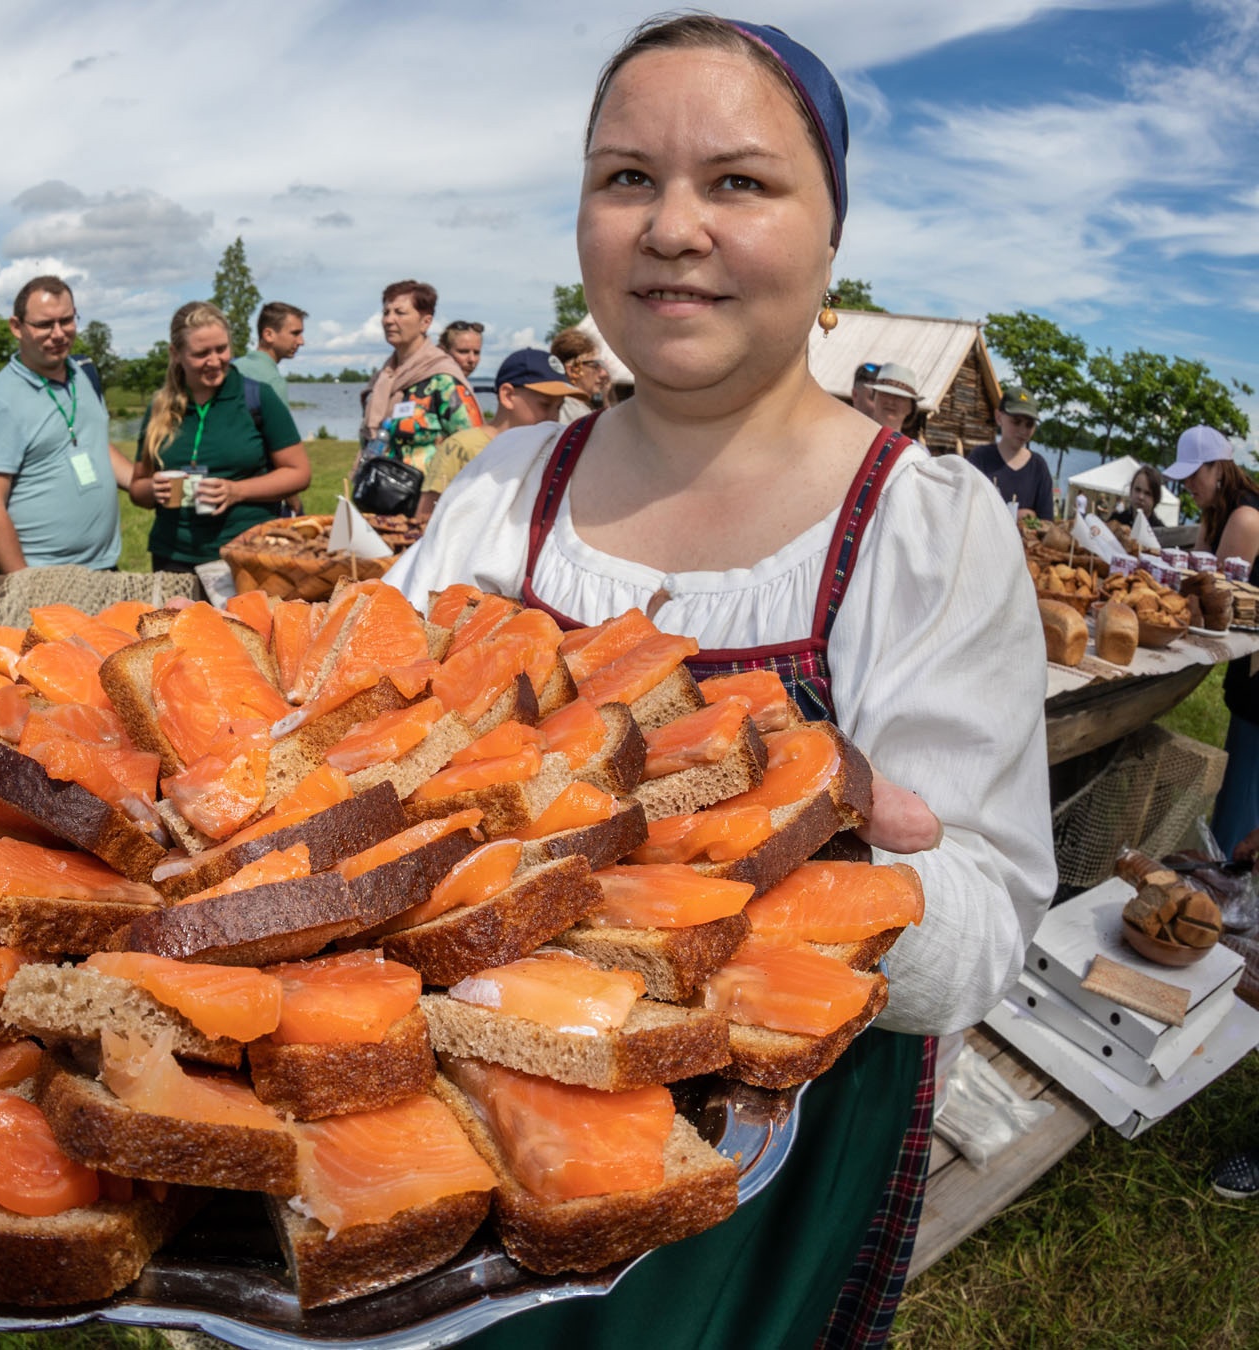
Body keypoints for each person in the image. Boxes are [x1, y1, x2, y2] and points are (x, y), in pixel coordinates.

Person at [386, 16, 1053, 1346]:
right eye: (627, 176)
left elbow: (982, 927)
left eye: (739, 182)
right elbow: (372, 789)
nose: (672, 226)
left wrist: (782, 835)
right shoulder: (505, 492)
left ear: (830, 233)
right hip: (440, 1128)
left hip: (740, 1194)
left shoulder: (925, 528)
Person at [127, 301, 311, 573]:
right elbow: (137, 488)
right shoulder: (160, 407)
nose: (215, 361)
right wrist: (153, 489)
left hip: (246, 553)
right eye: (201, 353)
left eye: (222, 349)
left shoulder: (258, 398)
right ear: (176, 354)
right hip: (173, 557)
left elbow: (299, 473)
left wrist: (237, 491)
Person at [0, 275, 132, 572]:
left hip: (104, 567)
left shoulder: (83, 373)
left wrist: (141, 482)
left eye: (67, 320)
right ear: (17, 327)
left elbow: (93, 443)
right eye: (44, 324)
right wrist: (26, 588)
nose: (59, 334)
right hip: (43, 575)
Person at [1164, 425, 1259, 852]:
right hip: (1247, 672)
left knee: (1243, 786)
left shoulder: (1244, 518)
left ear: (1219, 467)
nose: (1187, 484)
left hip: (1258, 684)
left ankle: (1227, 889)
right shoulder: (1222, 512)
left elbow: (1206, 596)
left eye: (1194, 474)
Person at [418, 348, 584, 520]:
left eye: (558, 407)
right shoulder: (463, 447)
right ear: (507, 395)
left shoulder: (546, 454)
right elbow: (427, 516)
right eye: (544, 405)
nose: (553, 417)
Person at [355, 280, 483, 479]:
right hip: (377, 498)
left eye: (400, 312)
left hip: (428, 504)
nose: (389, 320)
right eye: (386, 312)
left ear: (426, 322)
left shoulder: (443, 381)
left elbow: (474, 450)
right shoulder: (383, 378)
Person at [968, 386, 1053, 521]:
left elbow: (1047, 522)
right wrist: (1017, 515)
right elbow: (967, 508)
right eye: (1016, 422)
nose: (1023, 430)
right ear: (999, 417)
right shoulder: (980, 458)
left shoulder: (1039, 467)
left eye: (1029, 424)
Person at [233, 300, 307, 406]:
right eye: (295, 333)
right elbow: (280, 423)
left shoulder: (233, 367)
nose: (301, 341)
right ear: (268, 335)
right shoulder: (274, 381)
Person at [550, 326, 610, 424]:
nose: (603, 373)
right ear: (572, 371)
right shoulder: (572, 413)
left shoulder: (558, 407)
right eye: (595, 365)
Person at [865, 361, 925, 439]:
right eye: (885, 393)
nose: (891, 401)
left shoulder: (914, 450)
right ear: (874, 397)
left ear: (910, 407)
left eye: (899, 397)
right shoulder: (853, 438)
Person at [1108, 463, 1164, 531]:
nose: (1141, 497)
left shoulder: (1162, 531)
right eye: (1137, 490)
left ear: (1156, 499)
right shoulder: (1116, 522)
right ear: (1131, 490)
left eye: (1147, 493)